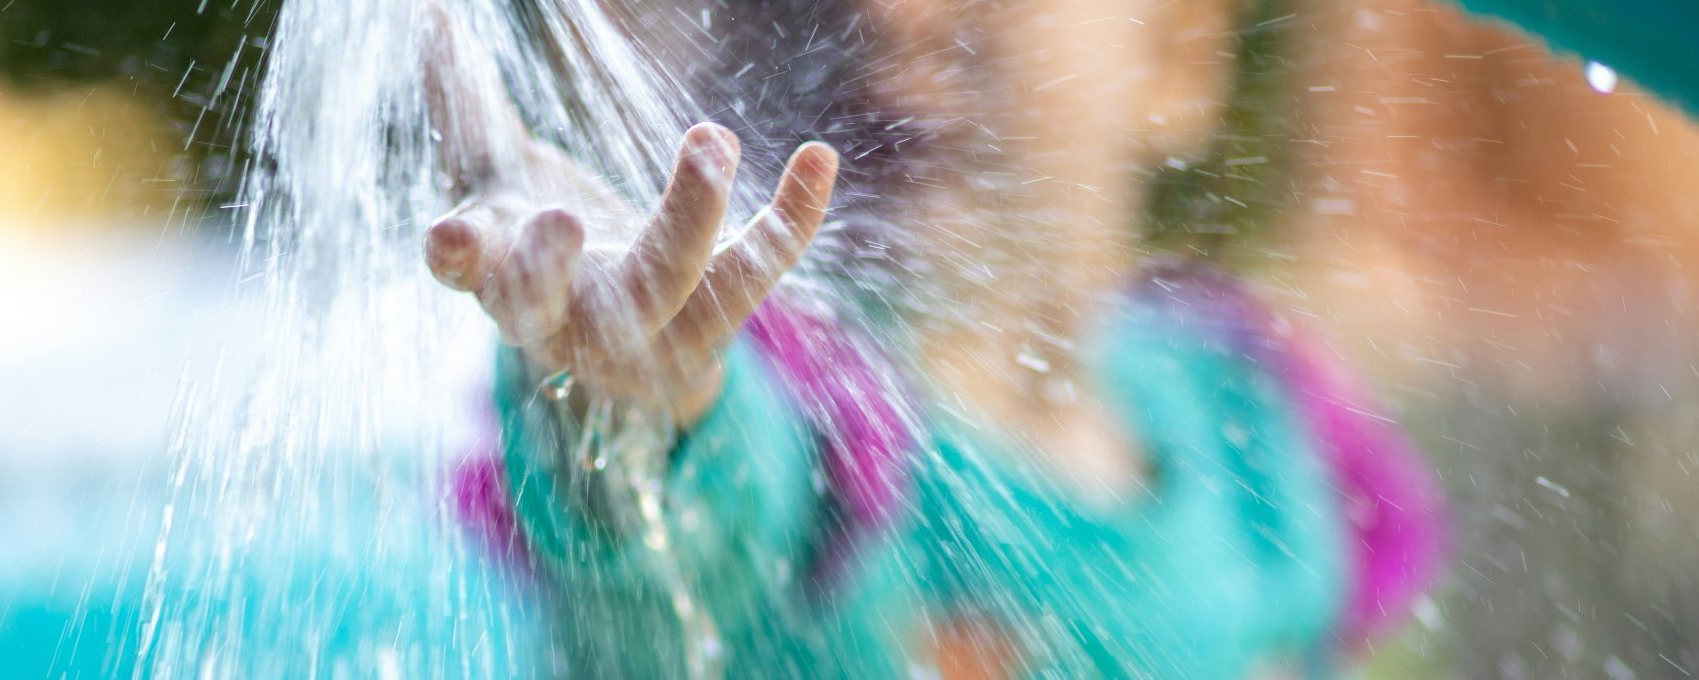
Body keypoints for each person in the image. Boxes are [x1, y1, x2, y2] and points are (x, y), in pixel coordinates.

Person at [424, 0, 1444, 676]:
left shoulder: (1250, 425)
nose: (888, 11)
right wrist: (627, 400)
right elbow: (671, 524)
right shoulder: (807, 418)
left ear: (1174, 50)